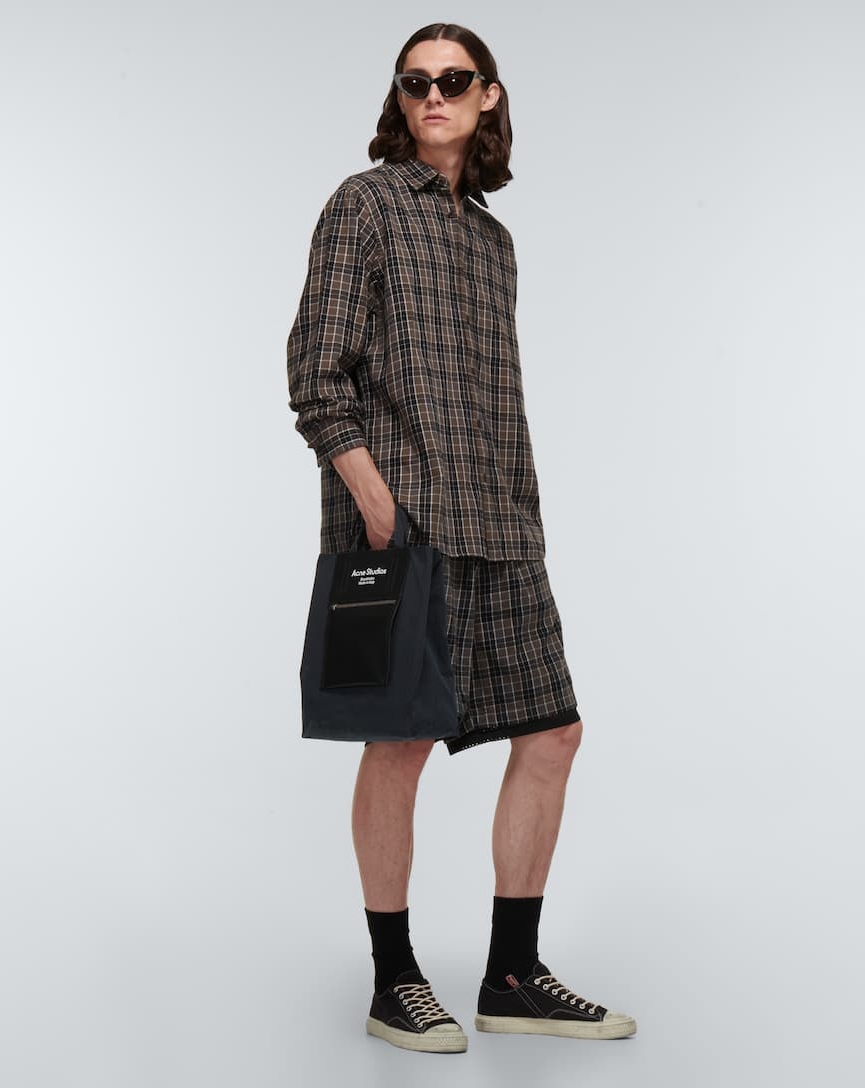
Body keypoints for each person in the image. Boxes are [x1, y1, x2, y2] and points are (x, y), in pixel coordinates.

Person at [287, 22, 636, 1054]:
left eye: (452, 79)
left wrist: (522, 512)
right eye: (414, 81)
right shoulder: (362, 204)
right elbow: (316, 375)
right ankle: (393, 978)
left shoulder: (493, 242)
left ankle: (512, 974)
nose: (431, 94)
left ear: (487, 94)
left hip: (502, 522)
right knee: (399, 742)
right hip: (403, 524)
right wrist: (375, 502)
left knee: (552, 731)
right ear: (398, 99)